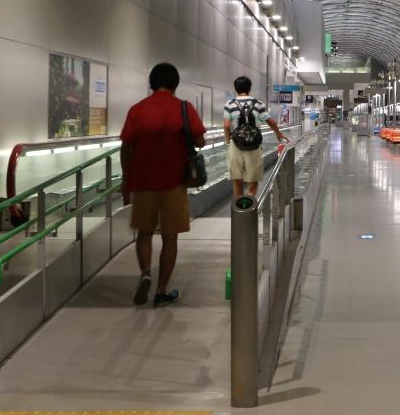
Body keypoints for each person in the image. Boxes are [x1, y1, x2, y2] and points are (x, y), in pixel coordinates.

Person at [119, 62, 206, 308]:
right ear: (175, 84)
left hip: (143, 182)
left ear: (151, 84)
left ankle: (146, 273)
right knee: (170, 237)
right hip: (174, 183)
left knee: (144, 233)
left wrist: (126, 179)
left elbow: (125, 147)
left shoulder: (138, 109)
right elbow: (200, 141)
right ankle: (161, 291)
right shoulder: (183, 108)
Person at [224, 76, 288, 198]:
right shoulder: (258, 104)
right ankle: (250, 203)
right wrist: (279, 134)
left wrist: (228, 142)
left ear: (235, 89)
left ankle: (239, 206)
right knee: (253, 182)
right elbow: (271, 122)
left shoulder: (229, 104)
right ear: (249, 88)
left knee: (237, 180)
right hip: (253, 146)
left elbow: (226, 126)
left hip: (236, 145)